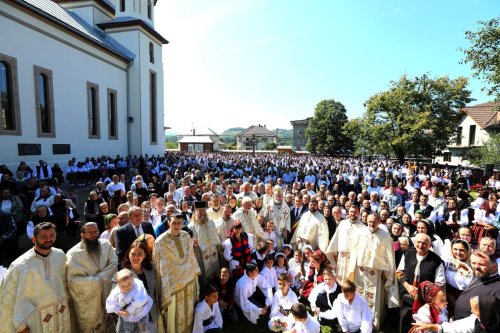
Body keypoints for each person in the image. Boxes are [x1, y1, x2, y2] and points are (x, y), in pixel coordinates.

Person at [0, 222, 71, 332]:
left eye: (52, 235)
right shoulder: (20, 266)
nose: (49, 239)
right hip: (35, 321)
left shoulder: (60, 255)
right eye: (44, 236)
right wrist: (21, 327)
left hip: (61, 314)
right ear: (34, 239)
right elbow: (10, 299)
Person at [66, 222, 118, 333]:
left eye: (96, 231)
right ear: (82, 235)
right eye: (90, 232)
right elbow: (72, 280)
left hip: (107, 293)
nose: (94, 234)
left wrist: (100, 277)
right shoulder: (73, 254)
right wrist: (96, 280)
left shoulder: (106, 245)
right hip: (88, 301)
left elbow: (114, 264)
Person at [154, 212, 201, 333]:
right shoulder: (160, 241)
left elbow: (191, 257)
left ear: (183, 223)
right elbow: (159, 266)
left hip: (189, 281)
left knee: (188, 311)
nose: (176, 226)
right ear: (169, 222)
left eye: (179, 223)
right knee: (174, 314)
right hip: (172, 285)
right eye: (174, 223)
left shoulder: (186, 236)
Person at [352, 213, 398, 330]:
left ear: (379, 222)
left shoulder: (385, 236)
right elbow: (355, 250)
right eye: (370, 221)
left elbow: (389, 257)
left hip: (376, 272)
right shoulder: (360, 233)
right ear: (366, 221)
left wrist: (386, 272)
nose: (372, 224)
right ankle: (357, 319)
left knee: (374, 297)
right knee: (359, 293)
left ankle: (372, 322)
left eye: (374, 222)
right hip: (361, 270)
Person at [398, 233, 445, 333]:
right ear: (414, 243)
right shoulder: (407, 253)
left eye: (424, 243)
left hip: (424, 300)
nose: (421, 245)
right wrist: (407, 286)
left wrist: (424, 294)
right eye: (418, 242)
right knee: (405, 319)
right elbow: (399, 272)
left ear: (430, 245)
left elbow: (439, 283)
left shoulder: (436, 261)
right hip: (407, 294)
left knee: (420, 323)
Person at [122, 240, 160, 332]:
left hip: (152, 314)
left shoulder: (151, 270)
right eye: (133, 254)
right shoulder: (123, 275)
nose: (136, 257)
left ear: (145, 255)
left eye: (139, 254)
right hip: (134, 320)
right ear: (128, 255)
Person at [412, 295, 500, 333]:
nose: (472, 312)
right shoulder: (476, 320)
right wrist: (431, 327)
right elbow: (457, 327)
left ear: (485, 313)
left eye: (475, 311)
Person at [454, 250, 500, 320]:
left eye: (481, 264)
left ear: (494, 267)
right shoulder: (479, 275)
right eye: (473, 263)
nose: (476, 267)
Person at [326, 204, 365, 284]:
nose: (353, 214)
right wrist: (333, 252)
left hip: (354, 258)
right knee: (340, 279)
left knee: (351, 280)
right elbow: (336, 239)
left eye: (355, 212)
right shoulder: (343, 223)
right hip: (342, 257)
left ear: (358, 213)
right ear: (348, 212)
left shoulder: (363, 227)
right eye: (351, 212)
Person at [106, 268, 153, 333]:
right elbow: (111, 301)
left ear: (133, 280)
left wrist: (129, 310)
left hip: (140, 313)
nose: (127, 287)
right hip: (126, 315)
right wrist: (118, 310)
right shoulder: (117, 290)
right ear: (118, 285)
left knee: (143, 329)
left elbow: (141, 300)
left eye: (129, 284)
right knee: (125, 329)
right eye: (123, 286)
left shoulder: (138, 287)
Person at [444, 239, 473, 316]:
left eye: (462, 250)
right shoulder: (448, 262)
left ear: (467, 251)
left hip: (466, 298)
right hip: (448, 296)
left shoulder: (473, 265)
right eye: (455, 249)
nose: (458, 252)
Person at [263, 185, 291, 251]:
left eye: (280, 195)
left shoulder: (286, 207)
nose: (278, 197)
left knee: (280, 248)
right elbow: (265, 218)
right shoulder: (270, 205)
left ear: (282, 196)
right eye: (277, 195)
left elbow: (288, 219)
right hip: (272, 231)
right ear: (274, 195)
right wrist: (267, 211)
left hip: (281, 231)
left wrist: (286, 229)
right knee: (271, 248)